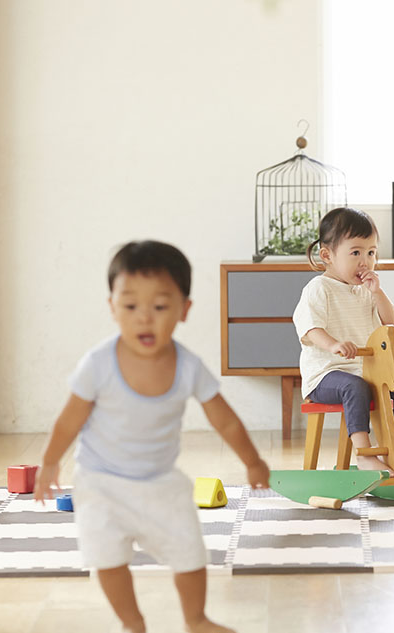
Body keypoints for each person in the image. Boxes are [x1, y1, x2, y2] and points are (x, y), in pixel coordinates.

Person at [33, 240, 269, 633]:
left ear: (184, 310)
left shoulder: (189, 367)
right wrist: (49, 461)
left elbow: (224, 421)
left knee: (190, 551)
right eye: (130, 306)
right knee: (107, 556)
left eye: (160, 307)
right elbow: (69, 421)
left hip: (161, 482)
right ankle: (133, 622)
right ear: (112, 307)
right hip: (100, 482)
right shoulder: (98, 364)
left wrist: (253, 461)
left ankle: (196, 619)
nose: (145, 318)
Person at [292, 207, 394, 475]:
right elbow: (309, 328)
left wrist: (378, 292)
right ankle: (363, 454)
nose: (365, 261)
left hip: (363, 373)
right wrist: (333, 345)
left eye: (371, 253)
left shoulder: (366, 291)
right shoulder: (319, 288)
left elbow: (389, 322)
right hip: (326, 375)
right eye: (356, 253)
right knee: (355, 387)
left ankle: (388, 449)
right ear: (327, 255)